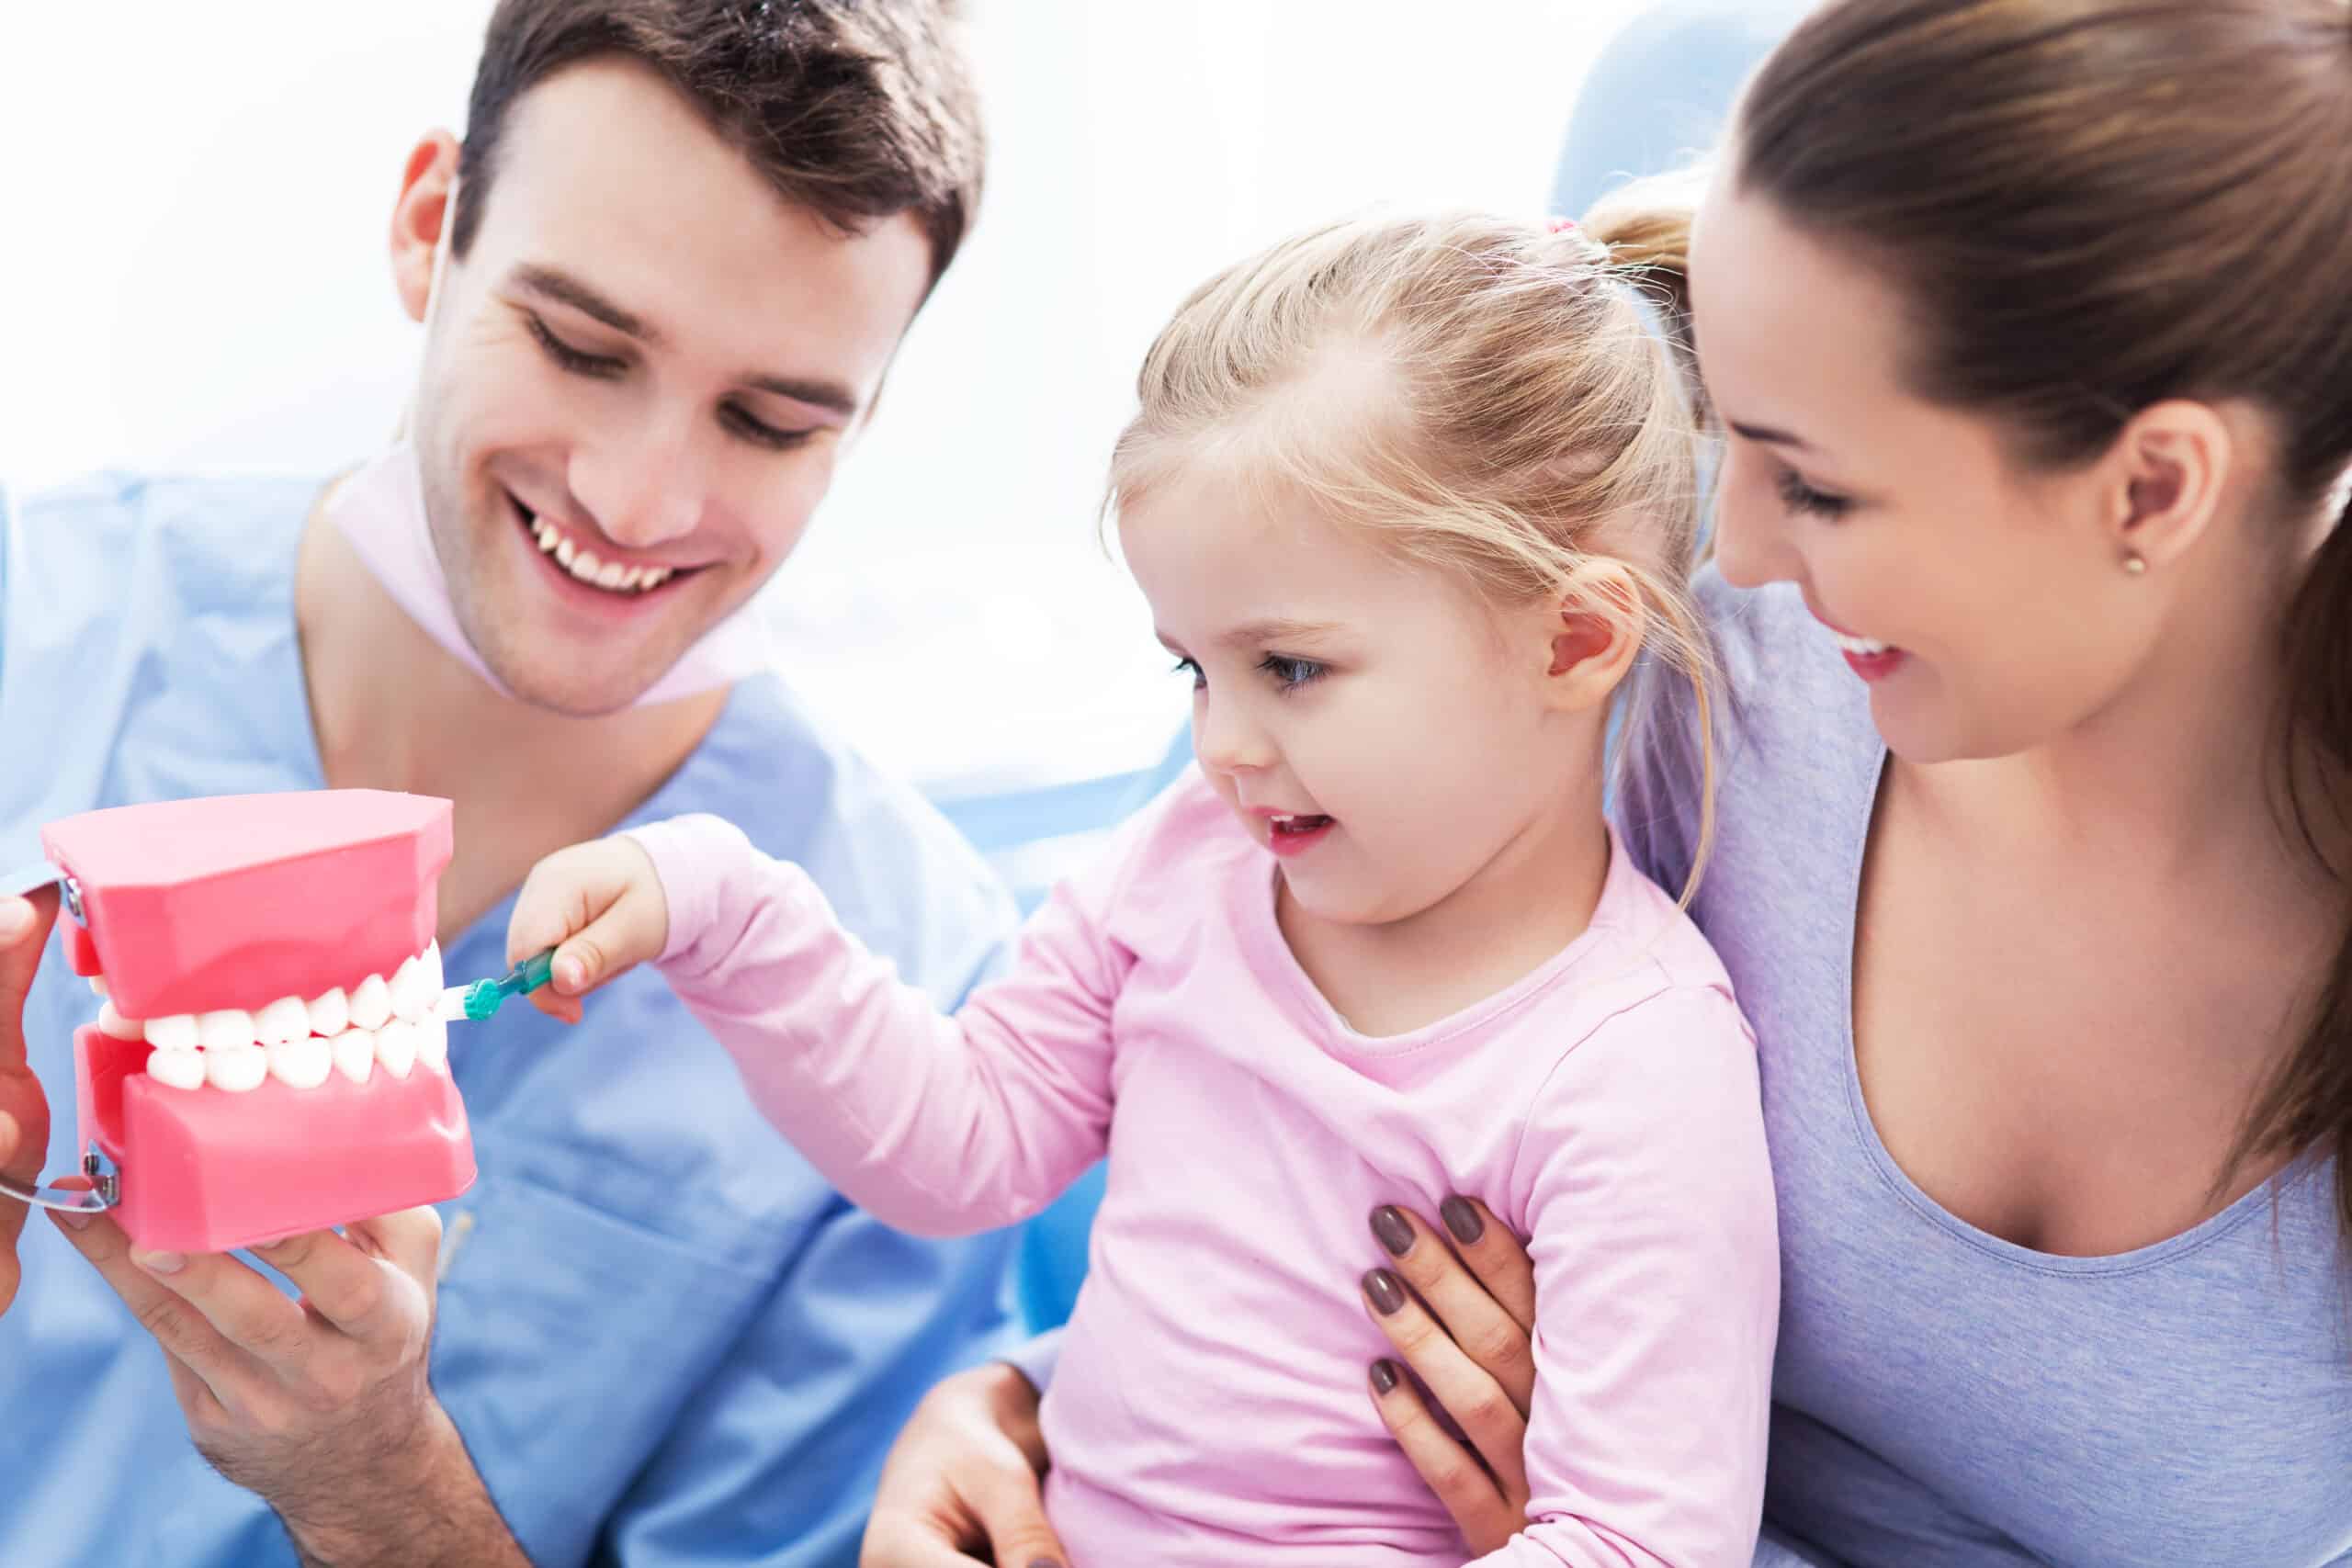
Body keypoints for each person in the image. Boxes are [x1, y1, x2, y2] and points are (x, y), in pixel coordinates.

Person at [876, 1, 2352, 1564]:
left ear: (2157, 484)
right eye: (1750, 452)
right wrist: (1021, 1411)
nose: (1742, 554)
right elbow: (1251, 1099)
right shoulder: (1680, 679)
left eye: (1825, 489)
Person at [506, 208, 1781, 1566]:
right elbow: (966, 1139)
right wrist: (719, 903)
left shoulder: (1635, 1070)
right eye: (1194, 668)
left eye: (1290, 668)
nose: (1220, 743)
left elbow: (1636, 1546)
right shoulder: (1191, 863)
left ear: (1574, 638)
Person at [0, 3, 1029, 1563]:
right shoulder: (35, 620)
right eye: (579, 347)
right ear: (431, 230)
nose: (640, 497)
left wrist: (378, 1486)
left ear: (868, 414)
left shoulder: (926, 1023)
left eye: (770, 419)